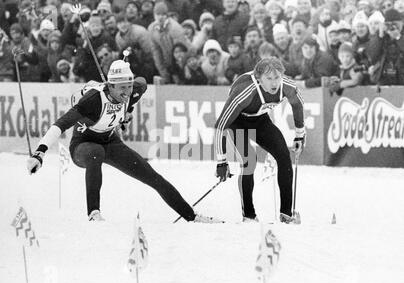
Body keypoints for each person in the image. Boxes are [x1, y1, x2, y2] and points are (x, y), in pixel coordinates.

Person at [26, 59, 222, 224]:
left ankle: (191, 216)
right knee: (96, 153)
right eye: (121, 88)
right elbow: (60, 125)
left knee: (152, 176)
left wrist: (128, 110)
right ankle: (94, 213)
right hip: (83, 146)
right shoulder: (93, 101)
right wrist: (39, 154)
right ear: (110, 86)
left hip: (110, 142)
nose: (127, 92)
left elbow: (142, 82)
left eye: (129, 87)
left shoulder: (132, 91)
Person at [214, 57, 306, 224]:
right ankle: (248, 215)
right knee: (249, 161)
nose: (274, 83)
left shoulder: (288, 87)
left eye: (277, 77)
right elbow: (220, 126)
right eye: (269, 78)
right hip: (237, 122)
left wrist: (300, 134)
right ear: (258, 78)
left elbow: (298, 105)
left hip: (260, 120)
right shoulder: (245, 91)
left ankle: (286, 214)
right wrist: (221, 162)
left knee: (284, 156)